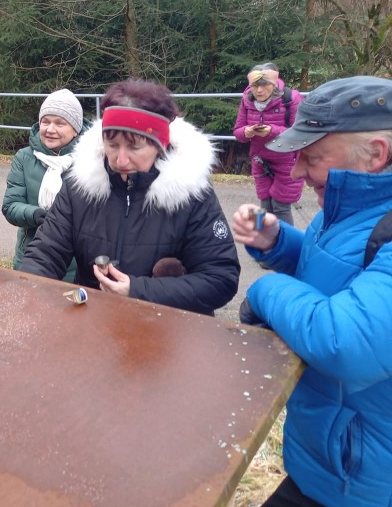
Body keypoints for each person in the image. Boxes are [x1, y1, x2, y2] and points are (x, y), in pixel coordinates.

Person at [231, 75, 392, 507]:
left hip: (365, 485)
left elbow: (346, 341)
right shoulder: (346, 207)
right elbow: (344, 270)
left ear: (376, 154)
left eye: (313, 157)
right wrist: (280, 243)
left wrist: (267, 289)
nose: (297, 172)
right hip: (328, 463)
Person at [20, 79, 240, 315]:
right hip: (93, 324)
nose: (120, 160)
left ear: (160, 145)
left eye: (134, 148)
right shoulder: (79, 186)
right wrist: (26, 292)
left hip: (167, 331)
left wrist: (137, 290)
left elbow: (220, 279)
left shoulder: (191, 193)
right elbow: (45, 252)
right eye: (112, 144)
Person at [2, 89, 91, 281]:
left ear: (75, 128)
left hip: (76, 266)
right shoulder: (24, 158)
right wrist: (37, 215)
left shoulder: (91, 161)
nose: (50, 129)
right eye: (46, 121)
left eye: (60, 123)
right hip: (31, 257)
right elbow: (10, 206)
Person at [233, 62, 303, 226]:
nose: (258, 91)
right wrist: (246, 132)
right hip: (260, 161)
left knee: (281, 207)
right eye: (255, 86)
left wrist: (272, 130)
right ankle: (264, 245)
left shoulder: (291, 99)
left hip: (287, 161)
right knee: (265, 206)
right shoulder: (246, 101)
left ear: (274, 84)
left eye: (264, 85)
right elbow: (238, 132)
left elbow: (300, 132)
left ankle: (286, 247)